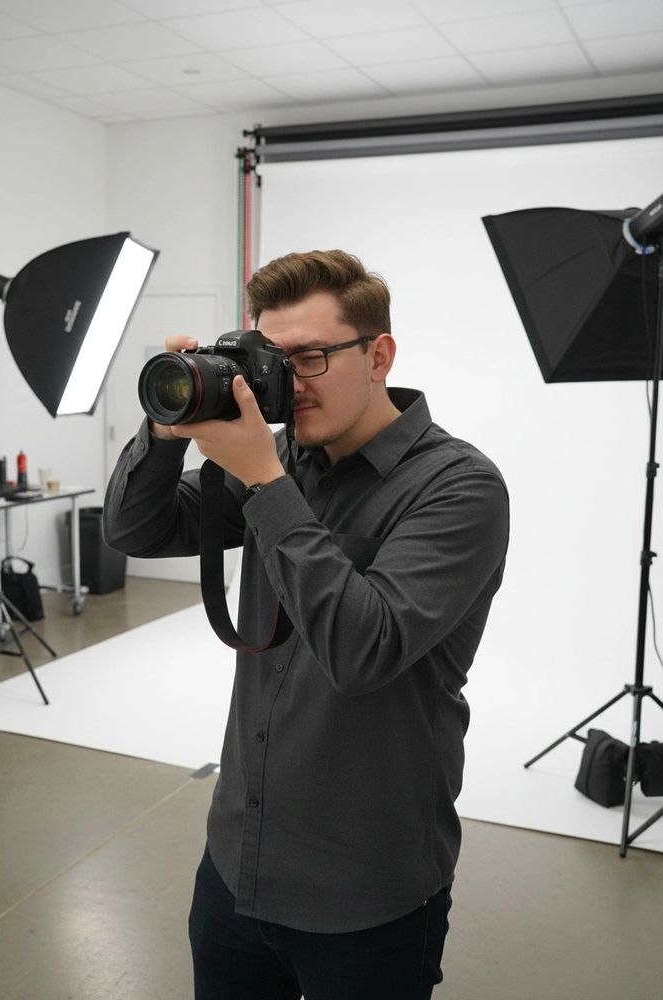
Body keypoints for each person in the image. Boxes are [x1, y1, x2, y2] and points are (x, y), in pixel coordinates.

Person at [103, 250, 509, 999]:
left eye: (311, 357)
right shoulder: (284, 458)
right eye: (270, 358)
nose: (287, 382)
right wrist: (170, 425)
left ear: (379, 354)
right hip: (236, 861)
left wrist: (264, 480)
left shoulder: (459, 487)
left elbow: (365, 649)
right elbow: (135, 529)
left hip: (367, 892)